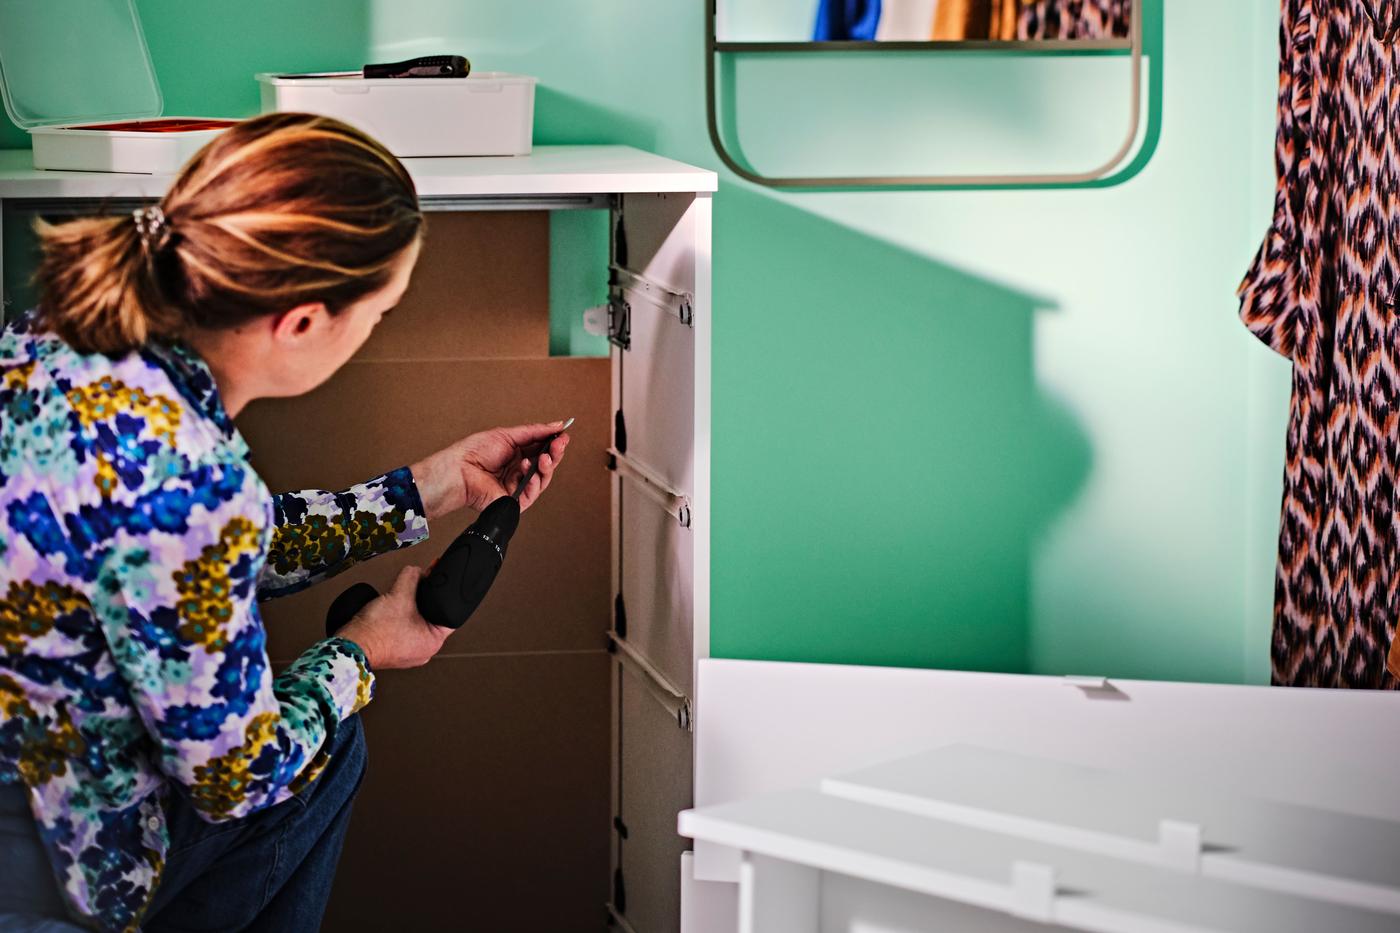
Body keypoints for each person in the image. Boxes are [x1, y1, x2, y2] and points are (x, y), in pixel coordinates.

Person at [0, 112, 570, 932]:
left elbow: (187, 554)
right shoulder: (194, 478)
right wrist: (363, 649)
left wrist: (424, 490)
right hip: (48, 854)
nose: (373, 331)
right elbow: (239, 777)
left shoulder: (48, 339)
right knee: (320, 748)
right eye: (378, 314)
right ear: (302, 321)